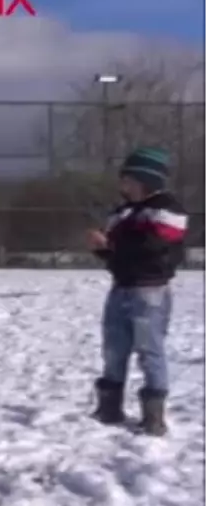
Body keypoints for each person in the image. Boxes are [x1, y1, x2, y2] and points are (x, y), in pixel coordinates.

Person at [87, 146, 188, 437]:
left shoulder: (167, 208)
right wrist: (103, 249)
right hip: (120, 289)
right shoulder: (121, 213)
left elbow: (155, 246)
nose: (123, 185)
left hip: (149, 292)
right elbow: (119, 255)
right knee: (113, 349)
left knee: (149, 350)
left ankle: (153, 416)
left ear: (146, 180)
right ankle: (109, 407)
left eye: (128, 179)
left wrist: (114, 246)